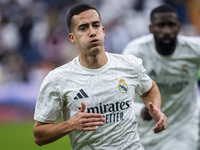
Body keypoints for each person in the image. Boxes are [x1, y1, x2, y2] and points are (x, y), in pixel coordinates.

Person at [33, 3, 167, 150]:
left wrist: (156, 109)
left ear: (103, 31)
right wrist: (71, 124)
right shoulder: (58, 79)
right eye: (83, 28)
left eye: (96, 25)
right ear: (72, 37)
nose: (92, 32)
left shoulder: (129, 65)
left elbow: (149, 88)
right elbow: (39, 135)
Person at [122, 4, 200, 150]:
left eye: (171, 25)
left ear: (179, 27)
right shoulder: (135, 52)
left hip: (183, 127)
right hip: (146, 130)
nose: (166, 31)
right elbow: (119, 95)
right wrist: (140, 110)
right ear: (151, 28)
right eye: (160, 25)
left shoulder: (194, 49)